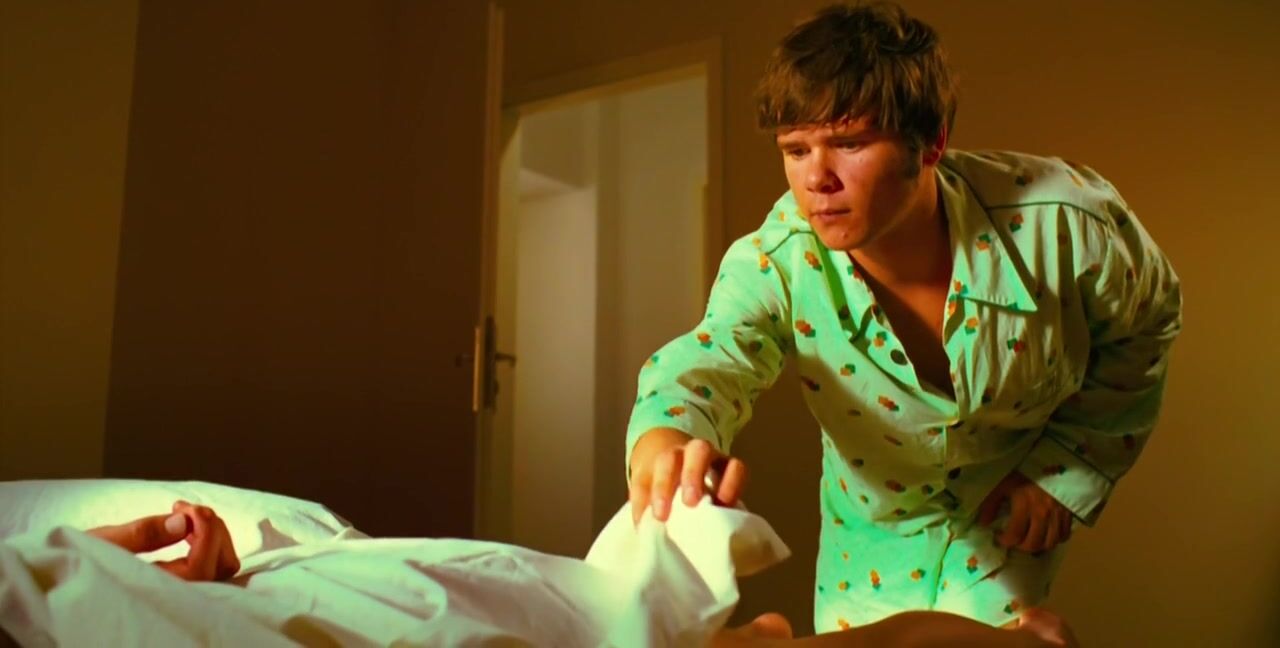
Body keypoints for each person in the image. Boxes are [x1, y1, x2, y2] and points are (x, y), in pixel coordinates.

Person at [626, 0, 1181, 633]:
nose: (816, 179)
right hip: (867, 545)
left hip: (1005, 523)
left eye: (849, 143)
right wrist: (665, 442)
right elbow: (711, 358)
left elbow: (1148, 323)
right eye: (796, 149)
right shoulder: (775, 262)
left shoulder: (1065, 225)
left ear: (931, 141)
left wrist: (1066, 468)